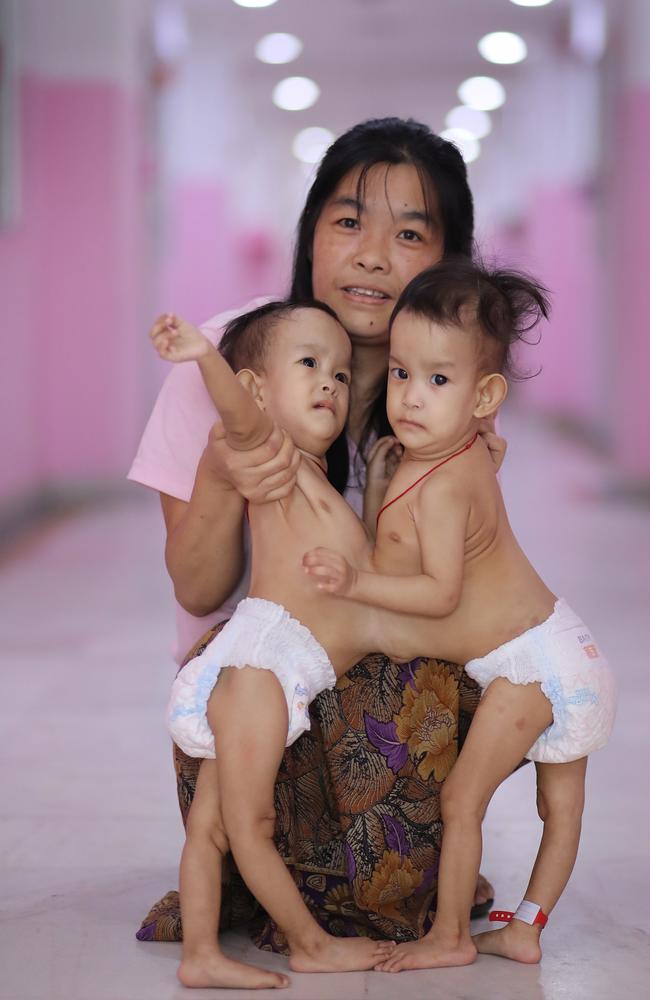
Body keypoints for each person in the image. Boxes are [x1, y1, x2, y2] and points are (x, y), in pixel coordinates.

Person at [130, 118, 500, 949]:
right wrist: (224, 473)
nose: (372, 254)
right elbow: (194, 588)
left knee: (462, 687)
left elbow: (444, 600)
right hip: (255, 676)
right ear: (309, 238)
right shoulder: (231, 359)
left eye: (410, 232)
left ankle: (374, 871)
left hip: (375, 665)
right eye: (347, 222)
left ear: (447, 261)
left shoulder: (444, 389)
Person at [302, 259, 617, 971]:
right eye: (404, 374)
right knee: (558, 809)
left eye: (439, 381)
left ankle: (449, 938)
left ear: (486, 396)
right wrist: (383, 484)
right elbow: (411, 534)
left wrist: (353, 582)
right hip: (557, 651)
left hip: (542, 668)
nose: (411, 398)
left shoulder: (447, 480)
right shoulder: (461, 450)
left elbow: (439, 592)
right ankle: (525, 929)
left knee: (461, 801)